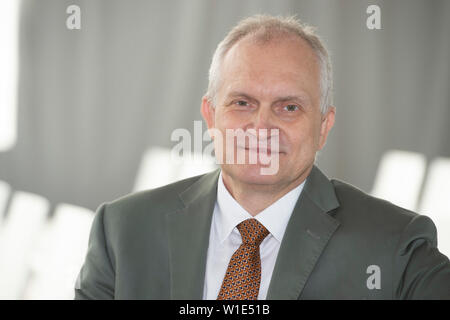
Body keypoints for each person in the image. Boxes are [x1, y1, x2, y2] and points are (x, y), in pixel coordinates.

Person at [75, 14, 450, 299]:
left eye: (288, 107)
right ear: (210, 115)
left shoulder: (396, 247)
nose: (262, 127)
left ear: (323, 125)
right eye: (242, 103)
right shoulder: (123, 232)